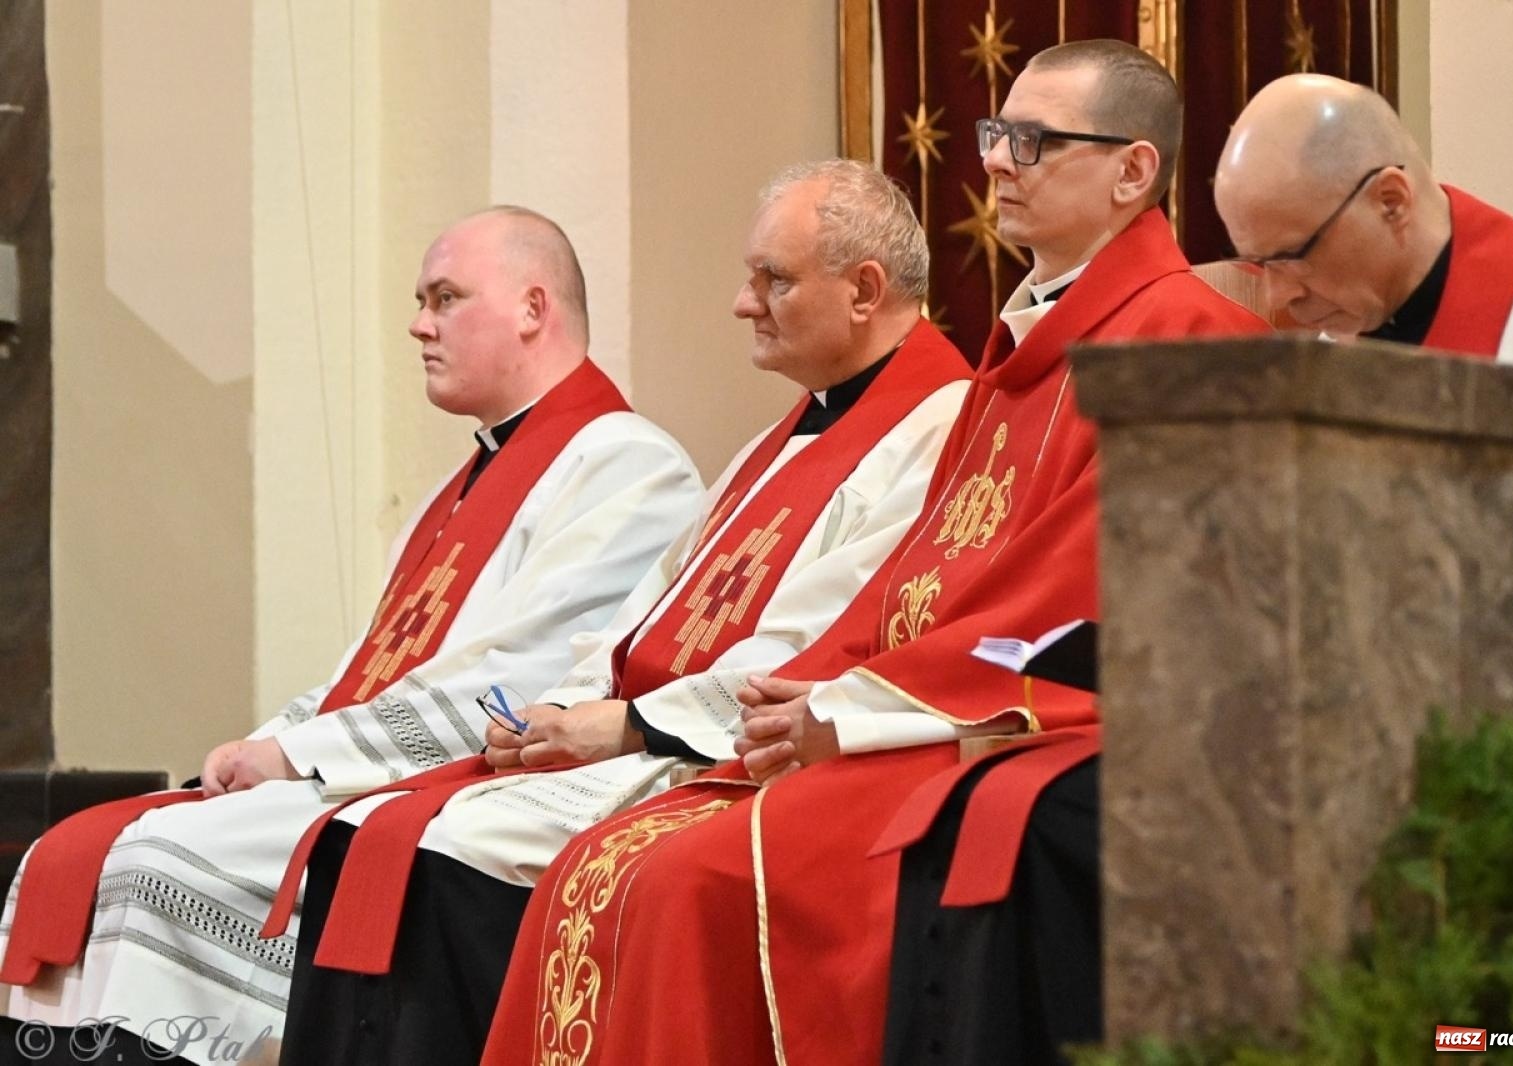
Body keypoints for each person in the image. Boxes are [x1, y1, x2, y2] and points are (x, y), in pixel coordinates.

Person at [480, 40, 1270, 1066]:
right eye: (996, 135)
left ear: (1132, 171)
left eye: (1035, 141)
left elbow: (1066, 598)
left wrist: (847, 708)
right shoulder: (1023, 354)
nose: (997, 161)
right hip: (925, 715)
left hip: (1015, 730)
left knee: (683, 877)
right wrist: (809, 689)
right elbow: (924, 583)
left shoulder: (1177, 340)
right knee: (607, 862)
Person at [267, 160, 972, 1066]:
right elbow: (652, 611)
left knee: (451, 850)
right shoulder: (778, 439)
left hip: (724, 757)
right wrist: (559, 710)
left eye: (773, 279)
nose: (742, 303)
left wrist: (630, 726)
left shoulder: (937, 427)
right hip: (644, 738)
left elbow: (819, 642)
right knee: (366, 832)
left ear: (865, 290)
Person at [0, 207, 704, 1065]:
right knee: (74, 853)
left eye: (445, 297)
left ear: (531, 307)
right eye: (420, 299)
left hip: (462, 783)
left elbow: (519, 677)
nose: (418, 323)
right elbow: (369, 670)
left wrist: (298, 758)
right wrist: (268, 743)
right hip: (376, 769)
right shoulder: (461, 484)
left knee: (151, 861)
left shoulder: (628, 464)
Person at [1215, 73, 1513, 370]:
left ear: (1391, 202)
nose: (1277, 296)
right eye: (1261, 264)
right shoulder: (1334, 351)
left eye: (1291, 255)